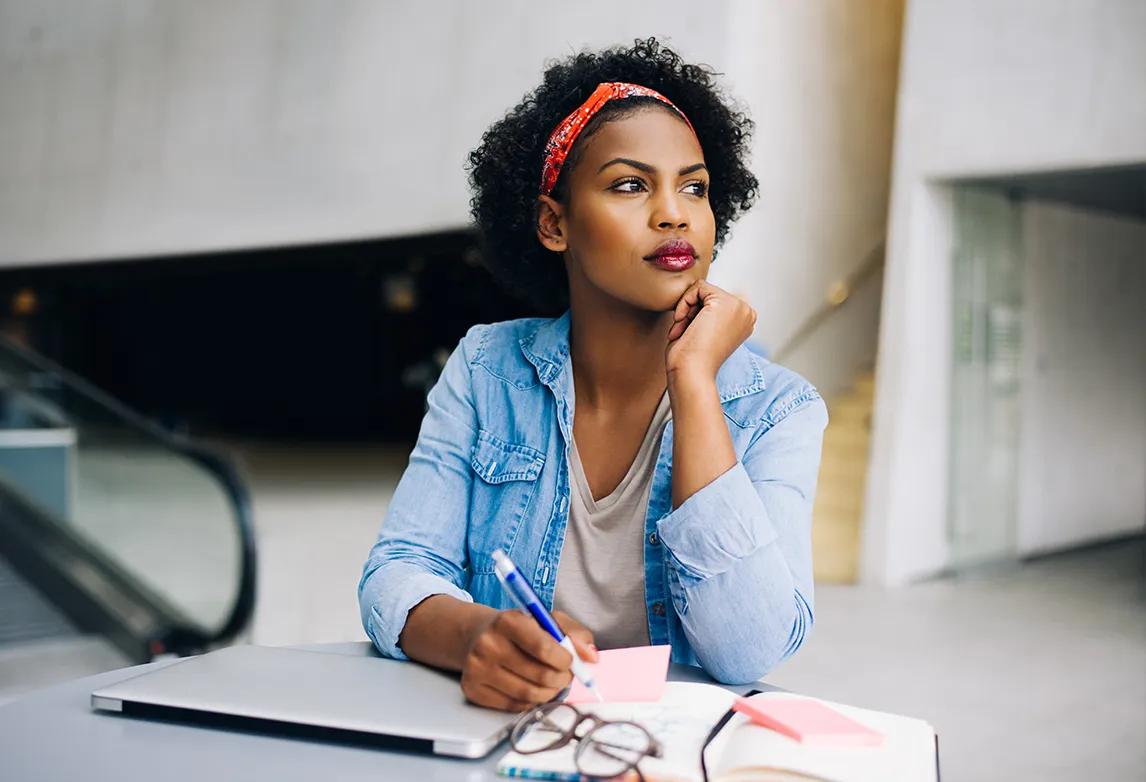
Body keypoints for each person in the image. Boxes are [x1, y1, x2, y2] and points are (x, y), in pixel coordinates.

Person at [358, 37, 828, 712]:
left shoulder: (780, 409)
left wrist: (695, 382)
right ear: (555, 224)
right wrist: (476, 636)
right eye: (631, 185)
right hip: (509, 739)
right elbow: (397, 571)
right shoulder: (488, 369)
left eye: (693, 187)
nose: (673, 213)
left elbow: (747, 650)